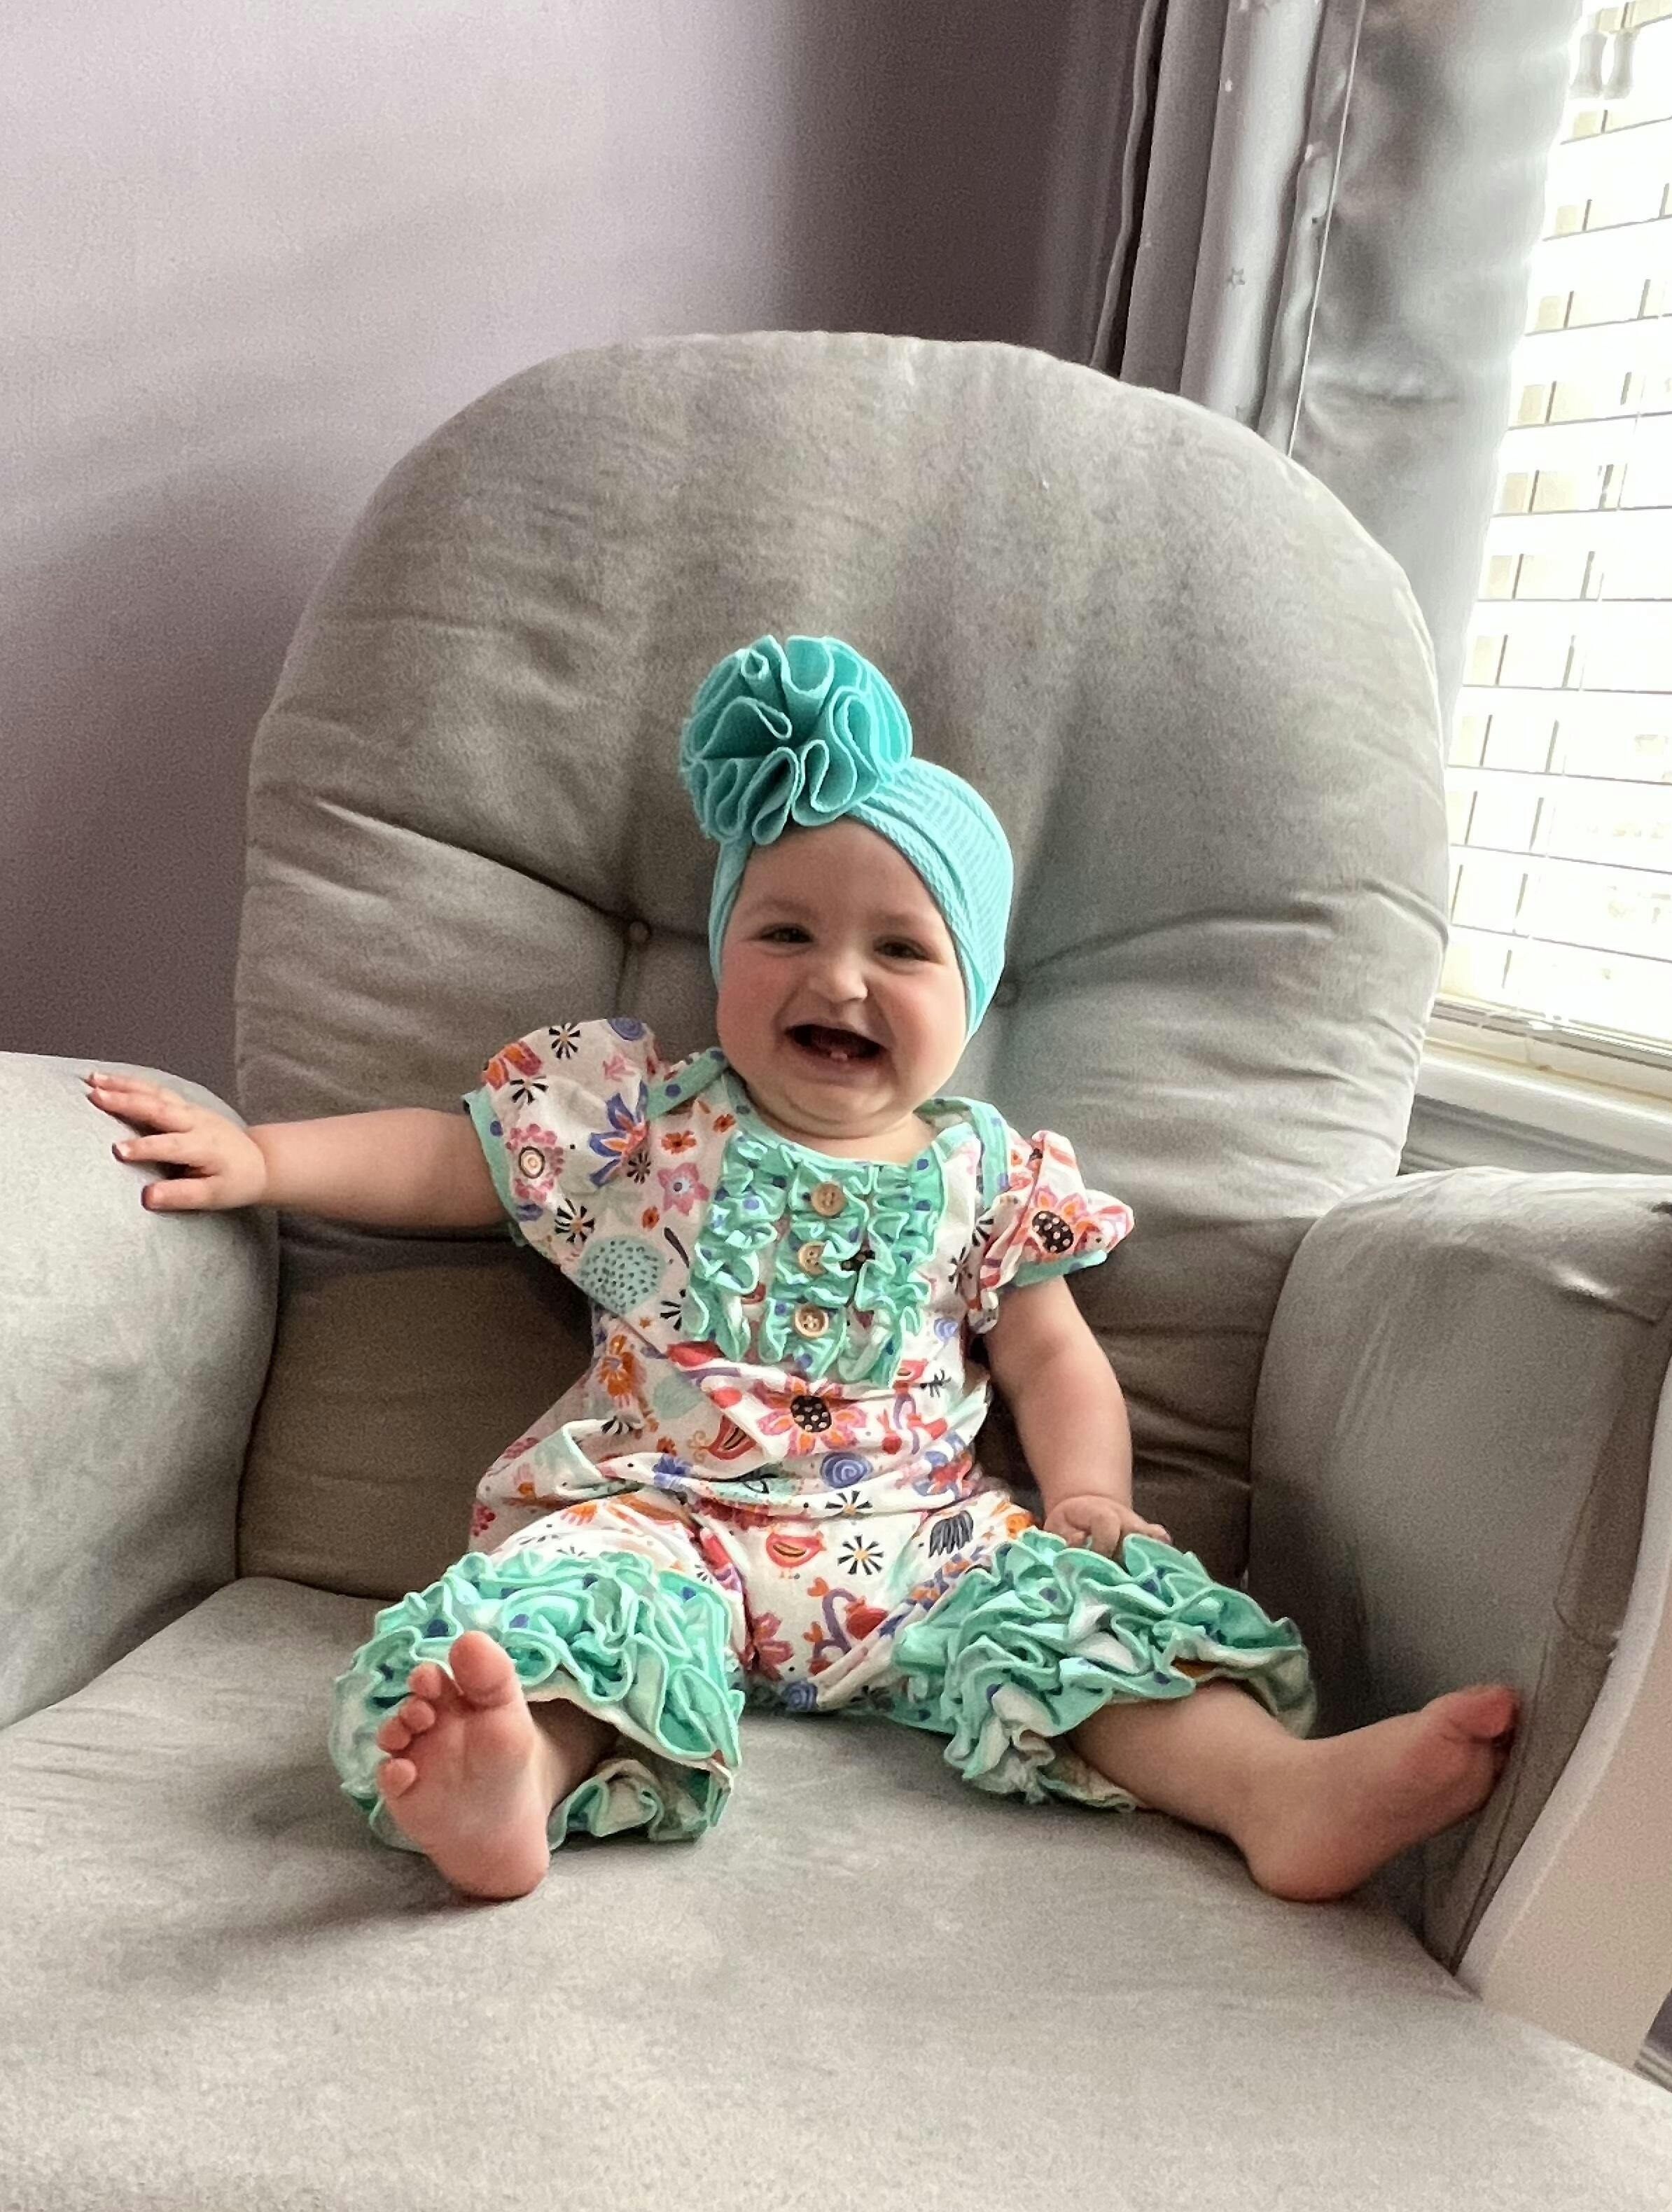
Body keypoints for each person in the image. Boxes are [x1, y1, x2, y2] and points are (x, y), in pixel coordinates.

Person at [87, 632, 1518, 1906]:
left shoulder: (985, 1173)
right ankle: (514, 1777)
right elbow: (452, 1159)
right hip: (659, 1517)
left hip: (920, 1545)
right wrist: (267, 1158)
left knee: (1072, 1623)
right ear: (722, 955)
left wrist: (1090, 1495)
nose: (838, 979)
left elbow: (1054, 1361)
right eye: (785, 933)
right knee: (568, 1614)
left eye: (901, 948)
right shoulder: (646, 1126)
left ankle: (1271, 1789)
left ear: (973, 999)